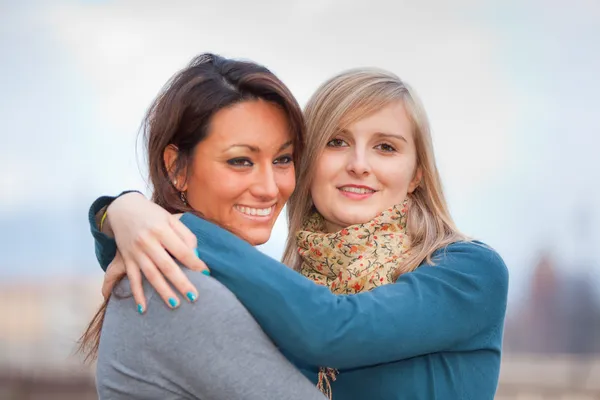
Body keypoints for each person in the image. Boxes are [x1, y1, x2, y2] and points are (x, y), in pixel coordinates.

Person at [90, 65, 509, 399]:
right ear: (309, 163)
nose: (359, 164)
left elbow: (332, 329)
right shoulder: (289, 287)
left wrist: (173, 223)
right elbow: (159, 274)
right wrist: (118, 217)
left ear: (417, 172)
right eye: (337, 142)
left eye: (386, 147)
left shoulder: (467, 271)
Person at [79, 53, 326, 400]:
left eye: (283, 159)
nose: (270, 188)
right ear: (177, 167)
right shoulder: (179, 289)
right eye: (241, 161)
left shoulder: (210, 274)